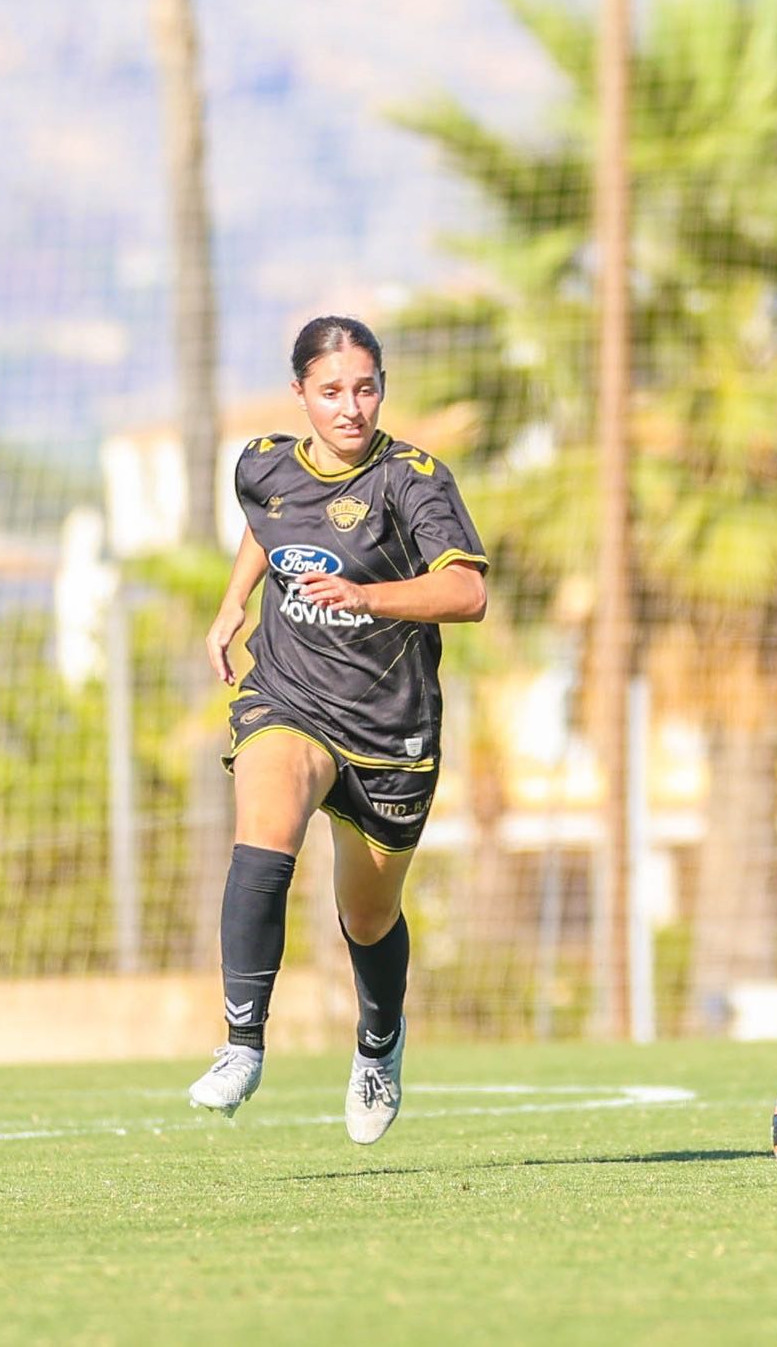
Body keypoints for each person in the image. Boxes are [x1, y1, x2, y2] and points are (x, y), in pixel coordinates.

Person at [186, 316, 488, 1145]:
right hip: (289, 697)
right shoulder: (264, 463)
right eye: (331, 391)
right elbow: (270, 522)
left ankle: (378, 1044)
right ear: (301, 395)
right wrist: (231, 603)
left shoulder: (413, 480)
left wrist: (367, 597)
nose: (350, 407)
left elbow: (466, 595)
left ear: (381, 388)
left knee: (366, 916)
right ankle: (242, 1044)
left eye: (365, 388)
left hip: (391, 732)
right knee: (265, 838)